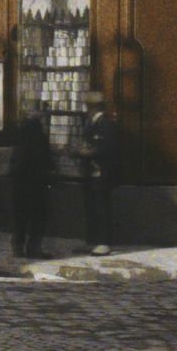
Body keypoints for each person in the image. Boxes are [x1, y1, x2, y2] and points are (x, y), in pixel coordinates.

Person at [79, 90, 120, 255]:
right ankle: (94, 240)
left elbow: (108, 148)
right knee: (93, 207)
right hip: (91, 173)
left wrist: (87, 153)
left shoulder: (105, 124)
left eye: (88, 106)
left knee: (101, 207)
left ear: (92, 107)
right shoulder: (91, 122)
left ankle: (104, 242)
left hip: (102, 173)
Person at [9, 110, 53, 259]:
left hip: (19, 183)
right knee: (38, 216)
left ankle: (18, 247)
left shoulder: (19, 137)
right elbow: (45, 161)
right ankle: (34, 248)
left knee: (20, 217)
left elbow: (15, 161)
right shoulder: (39, 138)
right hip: (36, 183)